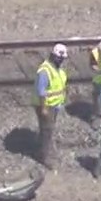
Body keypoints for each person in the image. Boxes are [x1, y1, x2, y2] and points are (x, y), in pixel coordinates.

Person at [33, 43, 69, 171]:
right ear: (53, 56)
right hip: (46, 105)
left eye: (62, 58)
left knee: (49, 129)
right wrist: (43, 108)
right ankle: (44, 157)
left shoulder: (56, 68)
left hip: (54, 104)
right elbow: (41, 91)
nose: (61, 60)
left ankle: (45, 150)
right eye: (60, 58)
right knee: (47, 130)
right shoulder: (45, 70)